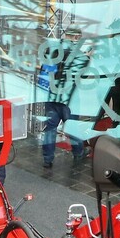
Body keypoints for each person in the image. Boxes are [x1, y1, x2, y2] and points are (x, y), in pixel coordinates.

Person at [39, 30, 89, 168]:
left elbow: (44, 69)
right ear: (77, 37)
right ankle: (78, 152)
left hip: (52, 97)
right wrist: (87, 58)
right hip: (69, 99)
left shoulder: (51, 49)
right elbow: (83, 74)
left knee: (50, 128)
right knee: (72, 127)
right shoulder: (79, 55)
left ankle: (47, 159)